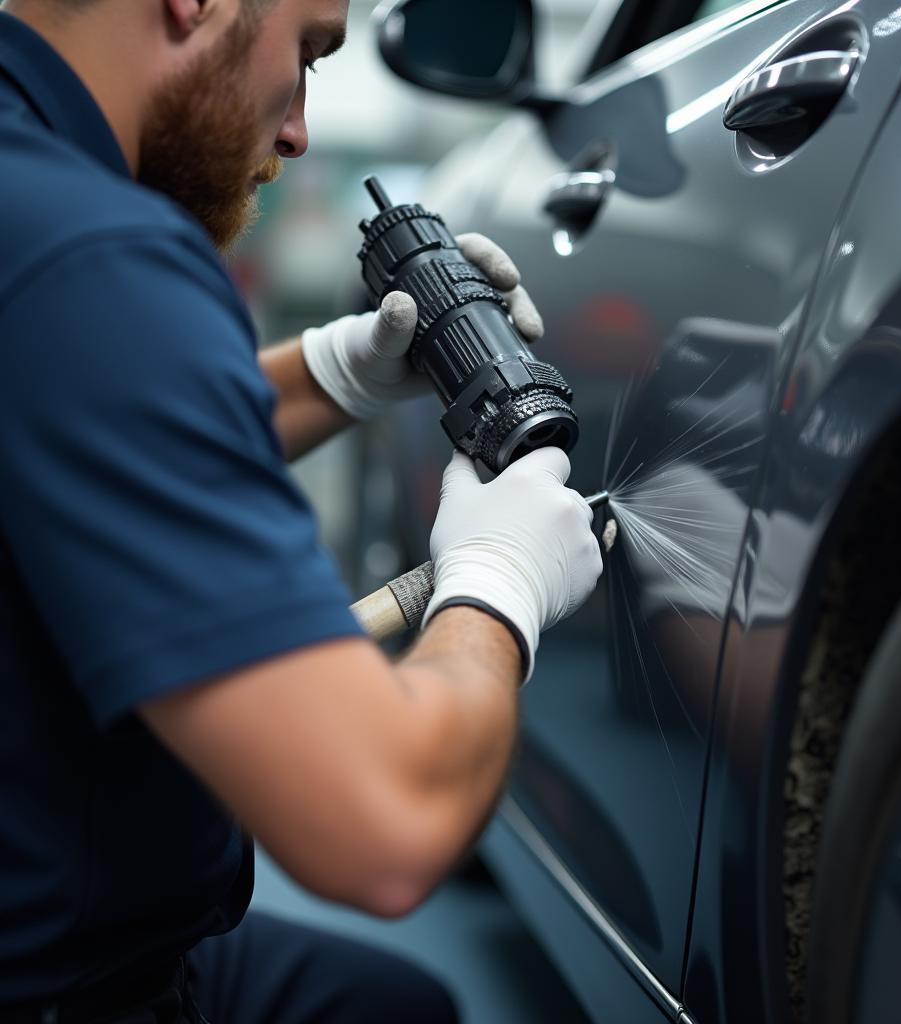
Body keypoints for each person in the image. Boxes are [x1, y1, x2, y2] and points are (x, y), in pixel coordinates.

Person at [0, 0, 604, 1020]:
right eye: (310, 51)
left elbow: (98, 421)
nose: (299, 131)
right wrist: (499, 581)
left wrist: (342, 371)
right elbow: (391, 820)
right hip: (61, 986)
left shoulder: (33, 206)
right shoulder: (92, 256)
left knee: (390, 1005)